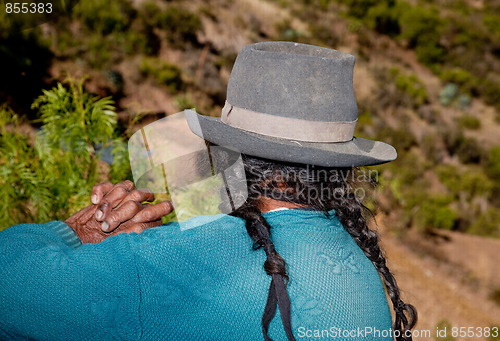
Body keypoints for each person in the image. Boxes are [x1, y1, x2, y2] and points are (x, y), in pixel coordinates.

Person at [0, 42, 417, 340]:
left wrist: (76, 233)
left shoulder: (176, 262)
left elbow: (10, 288)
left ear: (230, 155)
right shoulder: (358, 265)